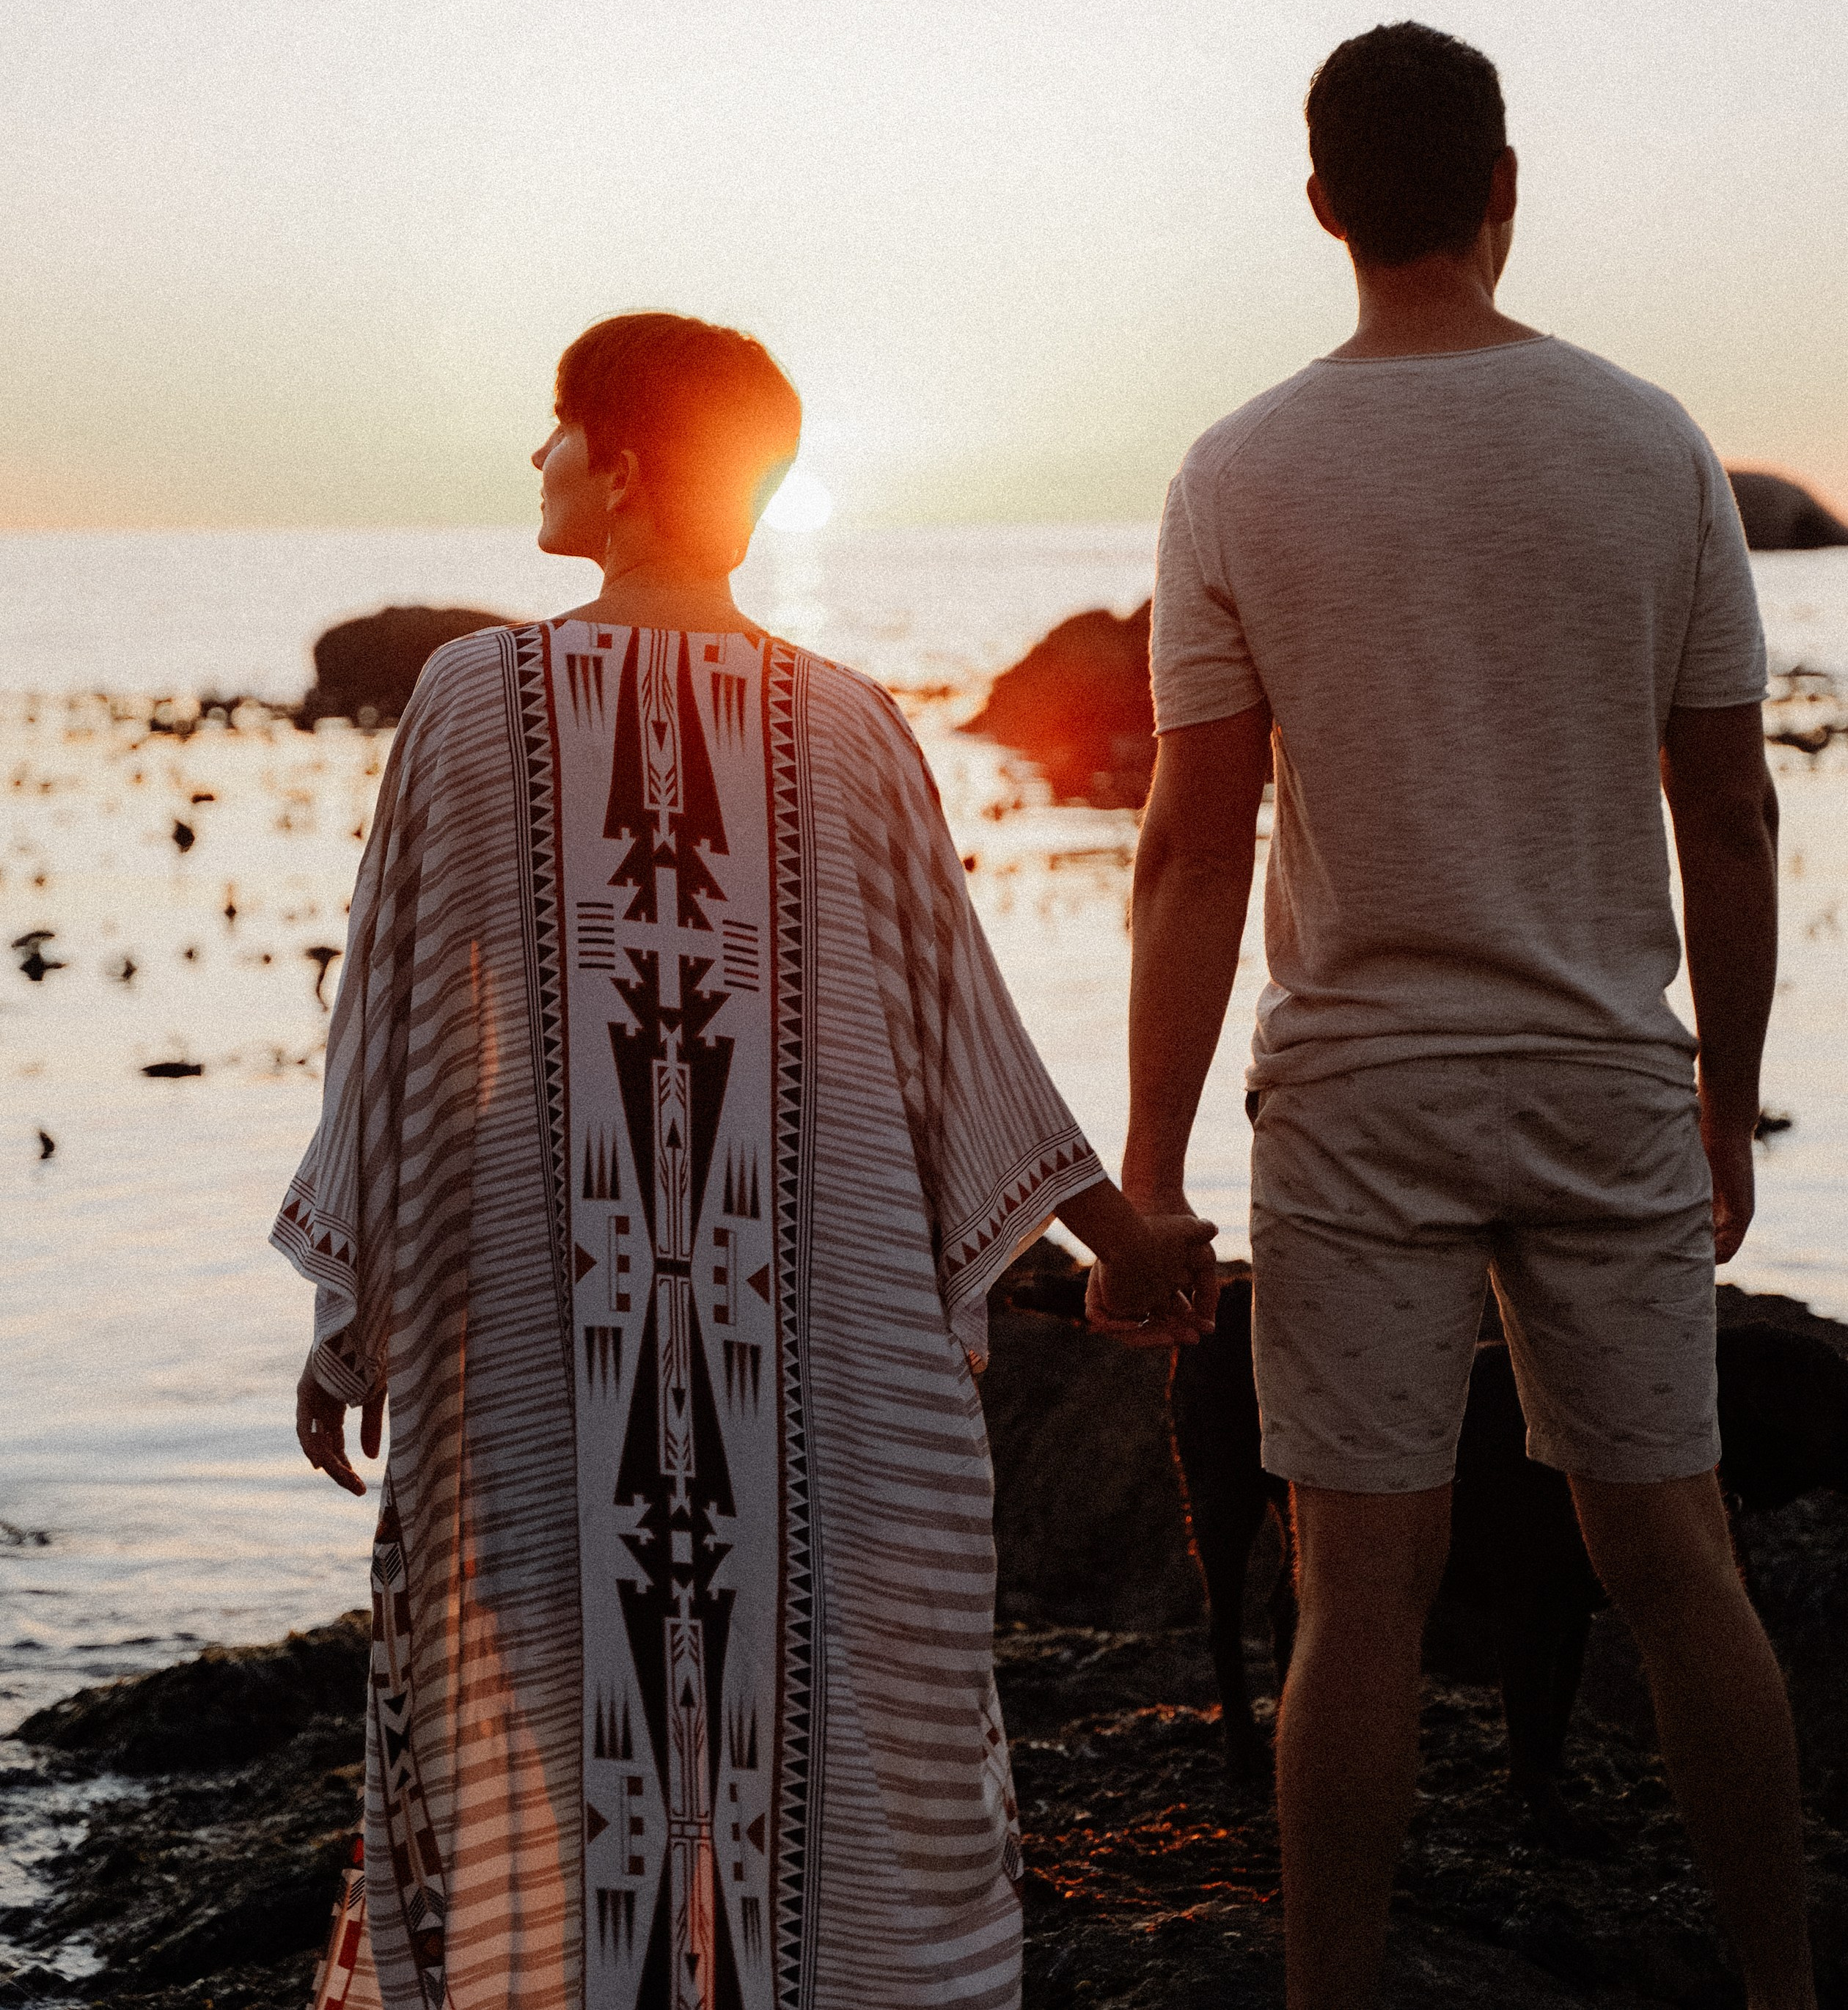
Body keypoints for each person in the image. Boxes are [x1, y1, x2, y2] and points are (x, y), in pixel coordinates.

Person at [276, 309, 1214, 2010]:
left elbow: (393, 1035)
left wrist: (355, 1322)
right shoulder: (846, 725)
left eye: (558, 426)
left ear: (627, 466)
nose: (537, 460)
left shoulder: (472, 701)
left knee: (567, 1813)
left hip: (542, 1391)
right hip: (822, 1410)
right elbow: (967, 1036)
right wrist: (1118, 1241)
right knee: (817, 1810)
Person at [1109, 25, 1814, 2009]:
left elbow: (1189, 844)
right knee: (1677, 1563)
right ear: (1508, 184)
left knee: (1363, 1595)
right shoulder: (1651, 442)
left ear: (1322, 202)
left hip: (1352, 1097)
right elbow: (1734, 812)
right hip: (1600, 1074)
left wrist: (1150, 1172)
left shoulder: (1236, 470)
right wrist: (1729, 1103)